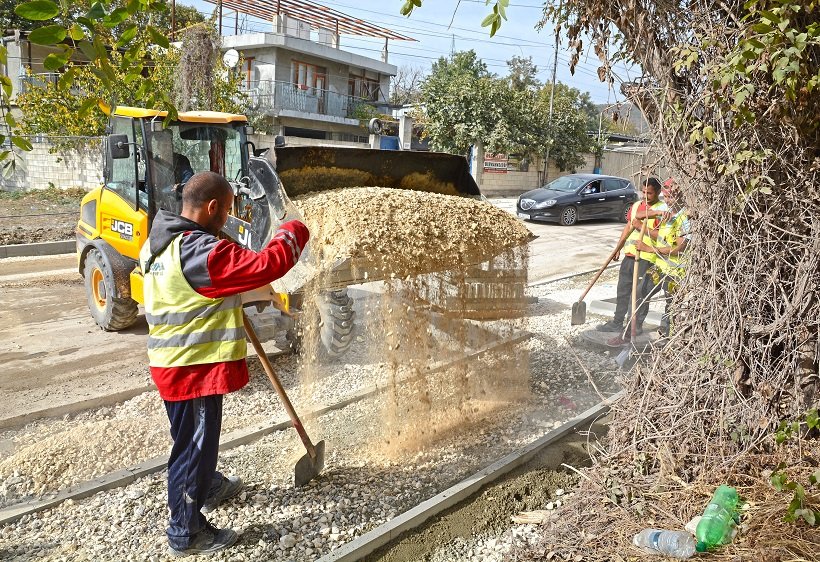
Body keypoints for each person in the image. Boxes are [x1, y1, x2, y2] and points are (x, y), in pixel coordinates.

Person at [139, 171, 310, 557]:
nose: (229, 219)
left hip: (170, 360)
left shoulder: (159, 241)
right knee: (193, 449)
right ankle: (186, 532)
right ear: (213, 207)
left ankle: (208, 485)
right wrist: (297, 227)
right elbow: (267, 264)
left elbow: (196, 291)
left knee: (190, 440)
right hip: (193, 366)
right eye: (228, 211)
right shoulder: (201, 251)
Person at [598, 177, 667, 345]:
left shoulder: (663, 209)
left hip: (647, 258)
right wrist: (618, 247)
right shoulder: (637, 205)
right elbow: (628, 226)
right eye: (643, 192)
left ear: (658, 192)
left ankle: (635, 327)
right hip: (630, 256)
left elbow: (663, 236)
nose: (645, 195)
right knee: (623, 291)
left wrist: (642, 228)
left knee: (639, 295)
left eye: (649, 193)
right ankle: (617, 322)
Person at [634, 178, 690, 339]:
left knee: (671, 304)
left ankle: (667, 336)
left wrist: (648, 249)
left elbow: (679, 248)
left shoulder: (686, 218)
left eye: (671, 197)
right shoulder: (665, 209)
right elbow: (638, 216)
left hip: (675, 271)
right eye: (665, 196)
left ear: (681, 196)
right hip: (659, 267)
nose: (668, 200)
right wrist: (657, 212)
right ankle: (635, 328)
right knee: (640, 291)